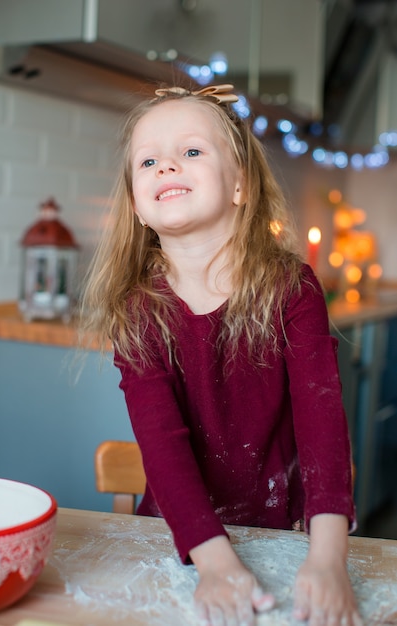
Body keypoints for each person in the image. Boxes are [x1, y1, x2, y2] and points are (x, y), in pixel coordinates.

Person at [80, 83, 361, 626]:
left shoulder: (292, 289)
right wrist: (213, 564)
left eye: (190, 152)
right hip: (185, 543)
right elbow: (162, 446)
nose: (166, 166)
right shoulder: (139, 311)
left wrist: (329, 560)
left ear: (241, 186)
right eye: (148, 160)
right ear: (137, 206)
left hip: (283, 536)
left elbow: (321, 422)